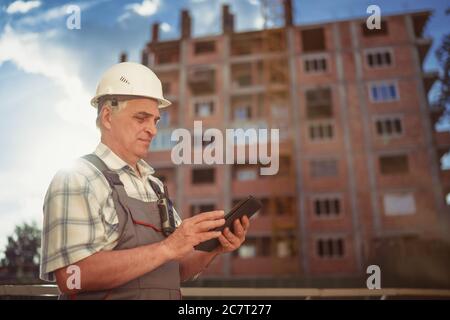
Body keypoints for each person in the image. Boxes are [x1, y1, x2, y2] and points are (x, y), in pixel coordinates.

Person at [39, 62, 250, 300]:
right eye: (141, 118)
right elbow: (71, 277)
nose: (152, 130)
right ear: (108, 117)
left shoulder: (155, 186)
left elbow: (175, 269)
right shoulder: (78, 178)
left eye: (155, 121)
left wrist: (215, 249)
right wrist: (167, 248)